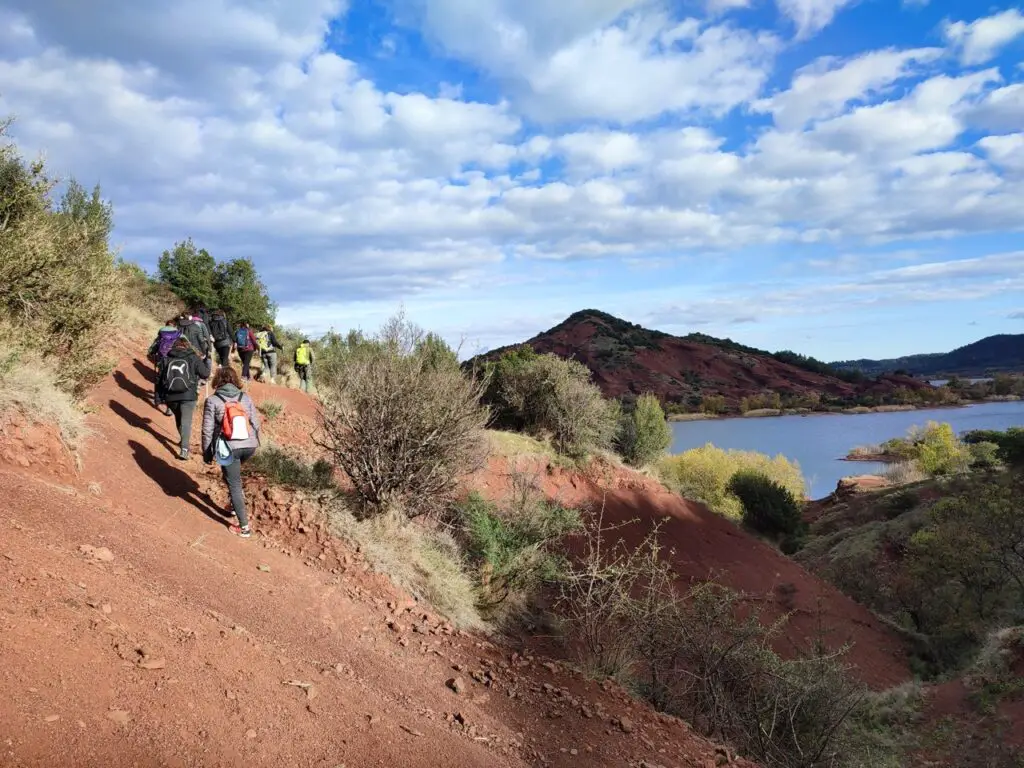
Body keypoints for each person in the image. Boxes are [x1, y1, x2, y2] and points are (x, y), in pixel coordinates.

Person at [202, 366, 261, 538]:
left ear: (217, 381)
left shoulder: (213, 400)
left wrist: (207, 453)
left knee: (234, 482)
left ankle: (244, 528)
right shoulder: (246, 398)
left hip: (229, 447)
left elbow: (207, 429)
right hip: (249, 446)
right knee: (230, 475)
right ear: (235, 380)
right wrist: (255, 443)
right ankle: (235, 505)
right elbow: (255, 423)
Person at [155, 337, 211, 461]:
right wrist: (207, 362)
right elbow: (205, 374)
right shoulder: (193, 357)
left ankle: (183, 441)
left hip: (170, 395)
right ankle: (184, 449)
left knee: (179, 419)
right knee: (186, 421)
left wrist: (158, 398)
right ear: (187, 345)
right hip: (188, 394)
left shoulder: (166, 358)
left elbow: (158, 379)